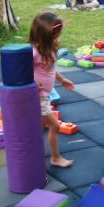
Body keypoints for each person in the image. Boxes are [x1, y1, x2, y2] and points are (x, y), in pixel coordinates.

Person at [30, 12, 75, 169]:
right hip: (38, 97)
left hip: (45, 96)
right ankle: (55, 158)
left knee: (41, 126)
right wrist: (33, 84)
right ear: (45, 35)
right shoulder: (34, 52)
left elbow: (50, 69)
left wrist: (62, 80)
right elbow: (21, 71)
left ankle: (35, 153)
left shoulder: (48, 49)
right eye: (56, 35)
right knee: (55, 126)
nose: (58, 38)